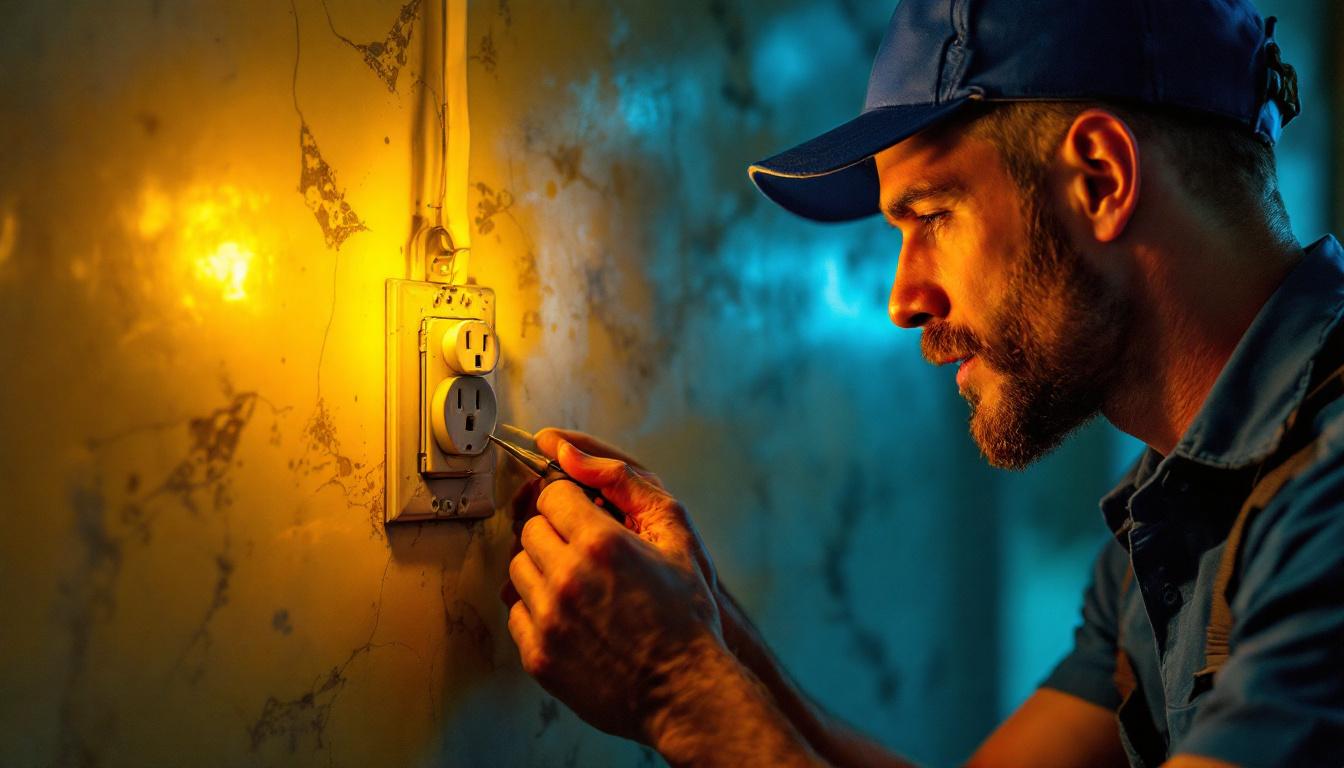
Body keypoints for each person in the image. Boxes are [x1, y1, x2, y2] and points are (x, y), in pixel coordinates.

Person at [502, 1, 1344, 766]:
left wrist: (673, 686)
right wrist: (711, 630)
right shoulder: (1170, 510)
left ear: (1100, 179)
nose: (904, 300)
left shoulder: (1326, 499)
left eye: (931, 216)